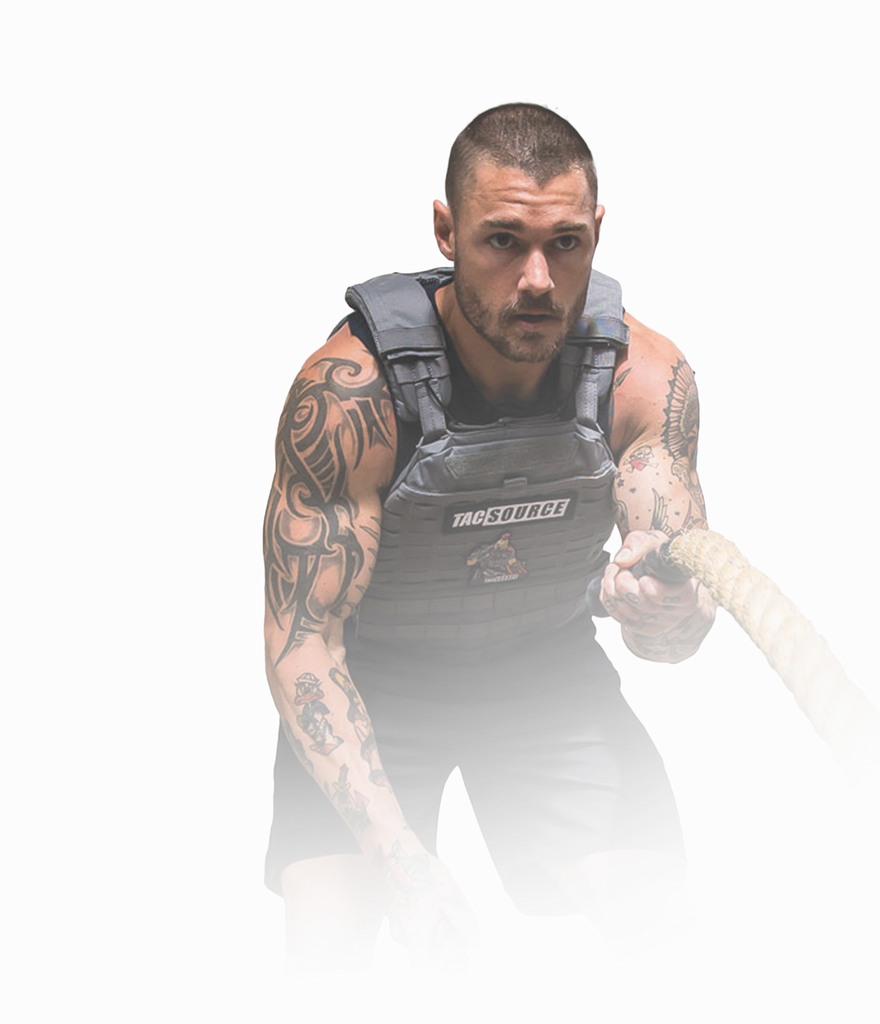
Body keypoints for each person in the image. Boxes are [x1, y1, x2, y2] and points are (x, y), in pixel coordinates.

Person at [261, 99, 718, 979]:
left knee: (658, 910)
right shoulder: (349, 397)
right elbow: (301, 641)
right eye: (503, 240)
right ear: (445, 231)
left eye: (566, 243)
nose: (538, 280)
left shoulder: (645, 380)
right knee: (325, 945)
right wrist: (404, 861)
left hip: (548, 671)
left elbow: (677, 624)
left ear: (598, 233)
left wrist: (667, 615)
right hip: (375, 681)